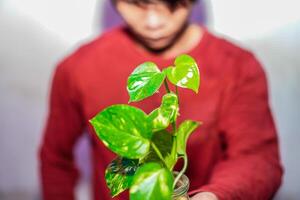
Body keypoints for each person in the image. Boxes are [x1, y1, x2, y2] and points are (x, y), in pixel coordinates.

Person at [39, 0, 283, 199]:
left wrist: (213, 196)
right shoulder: (78, 68)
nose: (153, 22)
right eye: (135, 4)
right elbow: (55, 157)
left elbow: (258, 158)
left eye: (172, 3)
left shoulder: (237, 66)